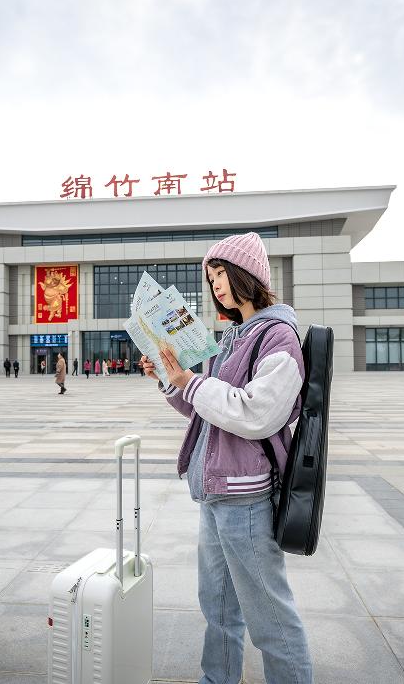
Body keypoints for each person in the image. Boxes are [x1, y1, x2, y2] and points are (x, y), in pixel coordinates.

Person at [142, 232, 312, 683]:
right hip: (215, 494)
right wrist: (169, 377)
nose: (216, 285)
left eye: (221, 275)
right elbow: (208, 411)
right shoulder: (235, 335)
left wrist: (191, 381)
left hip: (248, 499)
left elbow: (256, 413)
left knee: (269, 618)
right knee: (217, 609)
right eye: (211, 277)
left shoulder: (278, 337)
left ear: (247, 275)